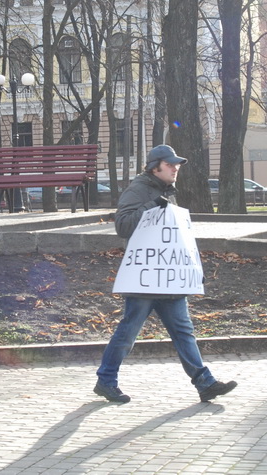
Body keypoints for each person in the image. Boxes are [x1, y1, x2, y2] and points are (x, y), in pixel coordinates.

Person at [94, 144, 237, 404]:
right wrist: (151, 205)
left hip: (168, 279)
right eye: (170, 164)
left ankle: (205, 383)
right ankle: (106, 381)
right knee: (128, 333)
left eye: (177, 164)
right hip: (145, 280)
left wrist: (191, 268)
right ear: (154, 166)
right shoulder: (139, 190)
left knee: (184, 332)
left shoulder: (166, 192)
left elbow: (177, 238)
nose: (175, 168)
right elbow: (123, 226)